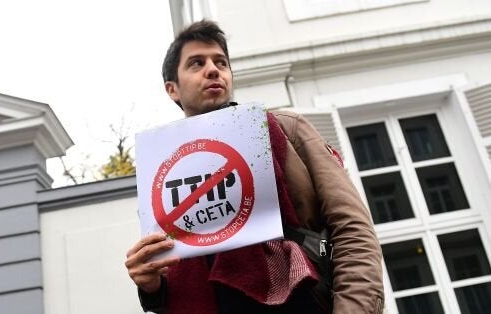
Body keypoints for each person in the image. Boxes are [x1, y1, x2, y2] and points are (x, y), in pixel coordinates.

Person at [125, 20, 384, 314]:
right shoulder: (159, 164)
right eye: (196, 63)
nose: (213, 69)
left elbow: (352, 229)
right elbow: (174, 272)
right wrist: (150, 287)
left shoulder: (287, 130)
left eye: (221, 62)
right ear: (172, 89)